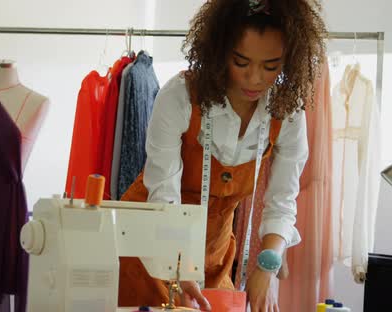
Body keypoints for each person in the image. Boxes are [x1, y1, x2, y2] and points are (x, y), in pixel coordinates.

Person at [118, 1, 327, 311]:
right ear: (219, 51)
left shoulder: (287, 111)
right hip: (150, 240)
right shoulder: (180, 97)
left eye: (271, 66)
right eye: (241, 62)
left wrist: (267, 268)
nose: (255, 78)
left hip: (214, 254)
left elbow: (283, 201)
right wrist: (177, 263)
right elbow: (164, 195)